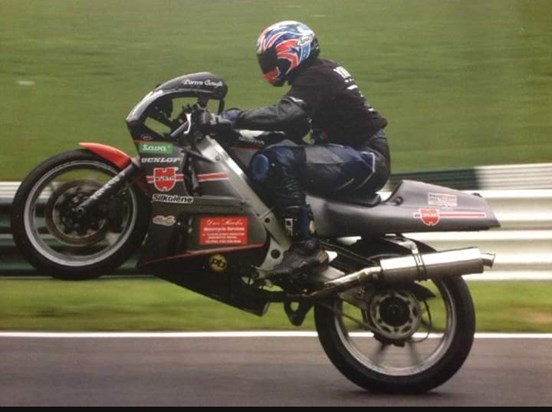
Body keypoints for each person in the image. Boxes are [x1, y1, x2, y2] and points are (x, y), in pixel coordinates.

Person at [202, 20, 391, 286]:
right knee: (271, 152)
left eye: (270, 58)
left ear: (292, 49)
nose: (266, 66)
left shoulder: (318, 75)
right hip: (352, 153)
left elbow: (286, 114)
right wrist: (232, 133)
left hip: (366, 156)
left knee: (275, 161)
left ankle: (306, 247)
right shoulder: (315, 77)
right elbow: (290, 129)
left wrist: (233, 118)